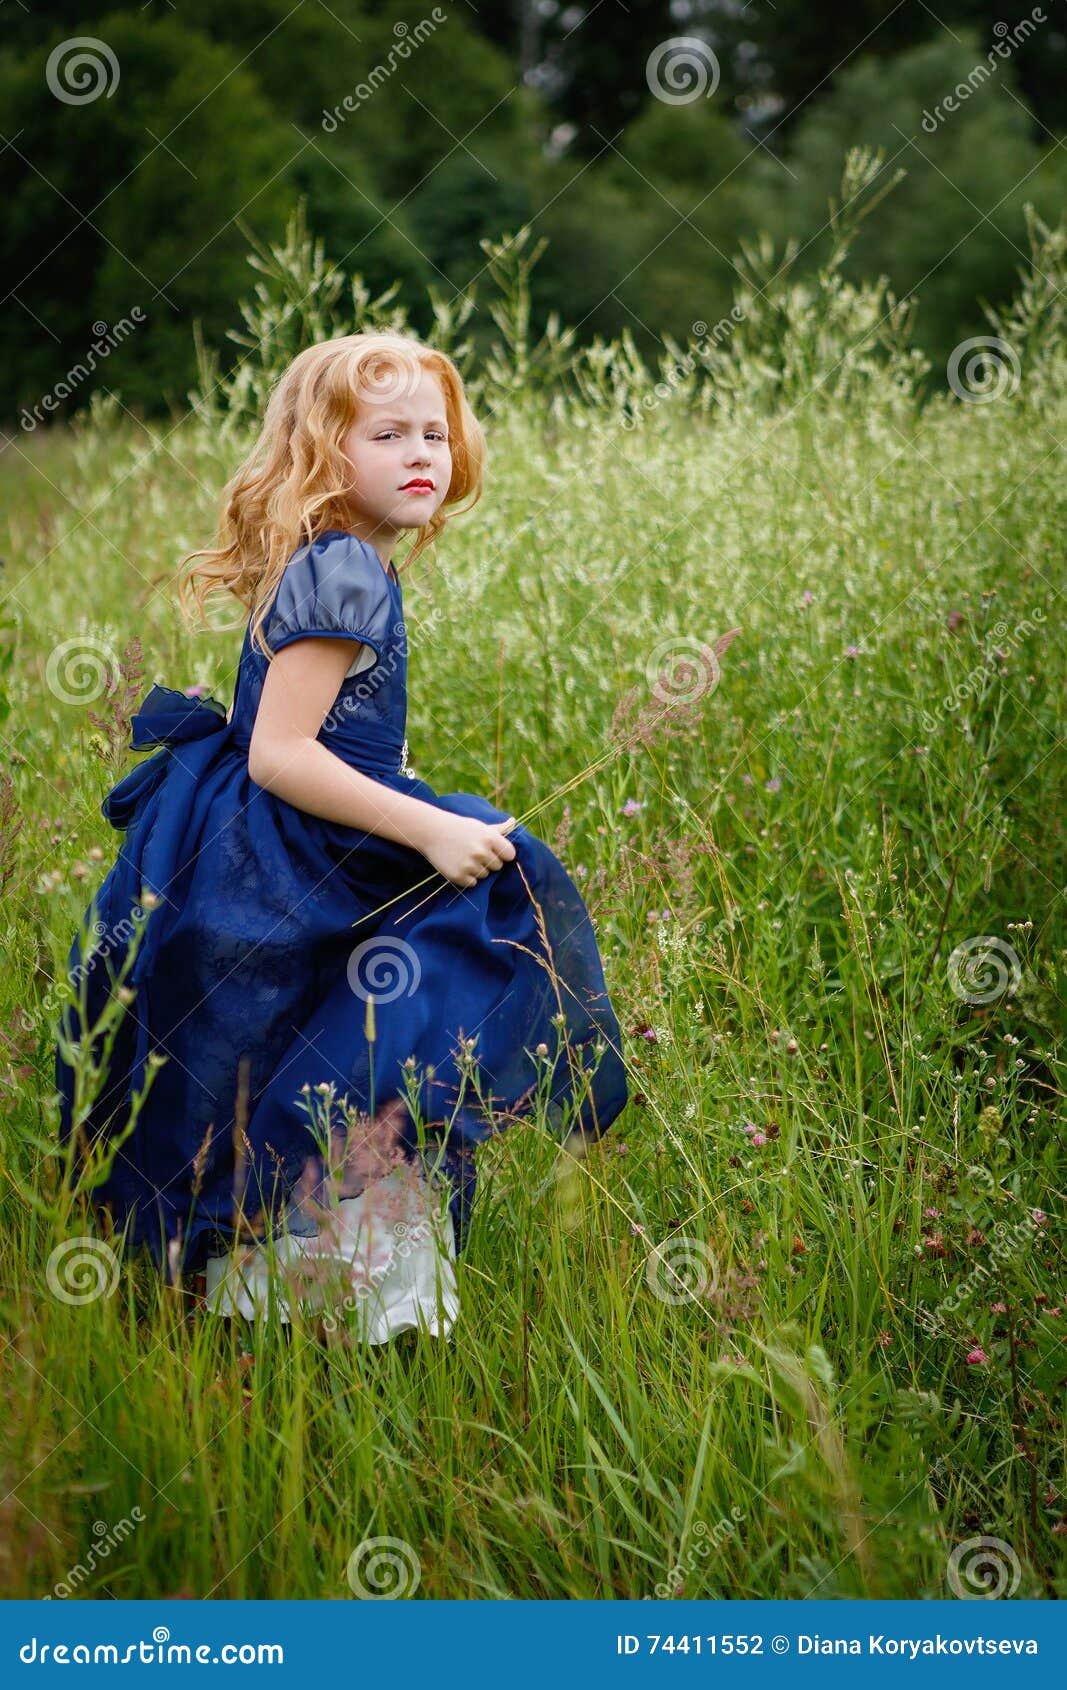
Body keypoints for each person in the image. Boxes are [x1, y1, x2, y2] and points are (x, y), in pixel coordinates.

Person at [54, 331, 629, 1341]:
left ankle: (255, 1296)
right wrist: (425, 826)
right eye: (388, 433)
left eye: (435, 434)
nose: (422, 454)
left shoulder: (336, 560)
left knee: (318, 1048)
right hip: (289, 856)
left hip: (286, 843)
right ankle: (309, 1305)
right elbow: (282, 751)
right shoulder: (345, 571)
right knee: (355, 1046)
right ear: (325, 451)